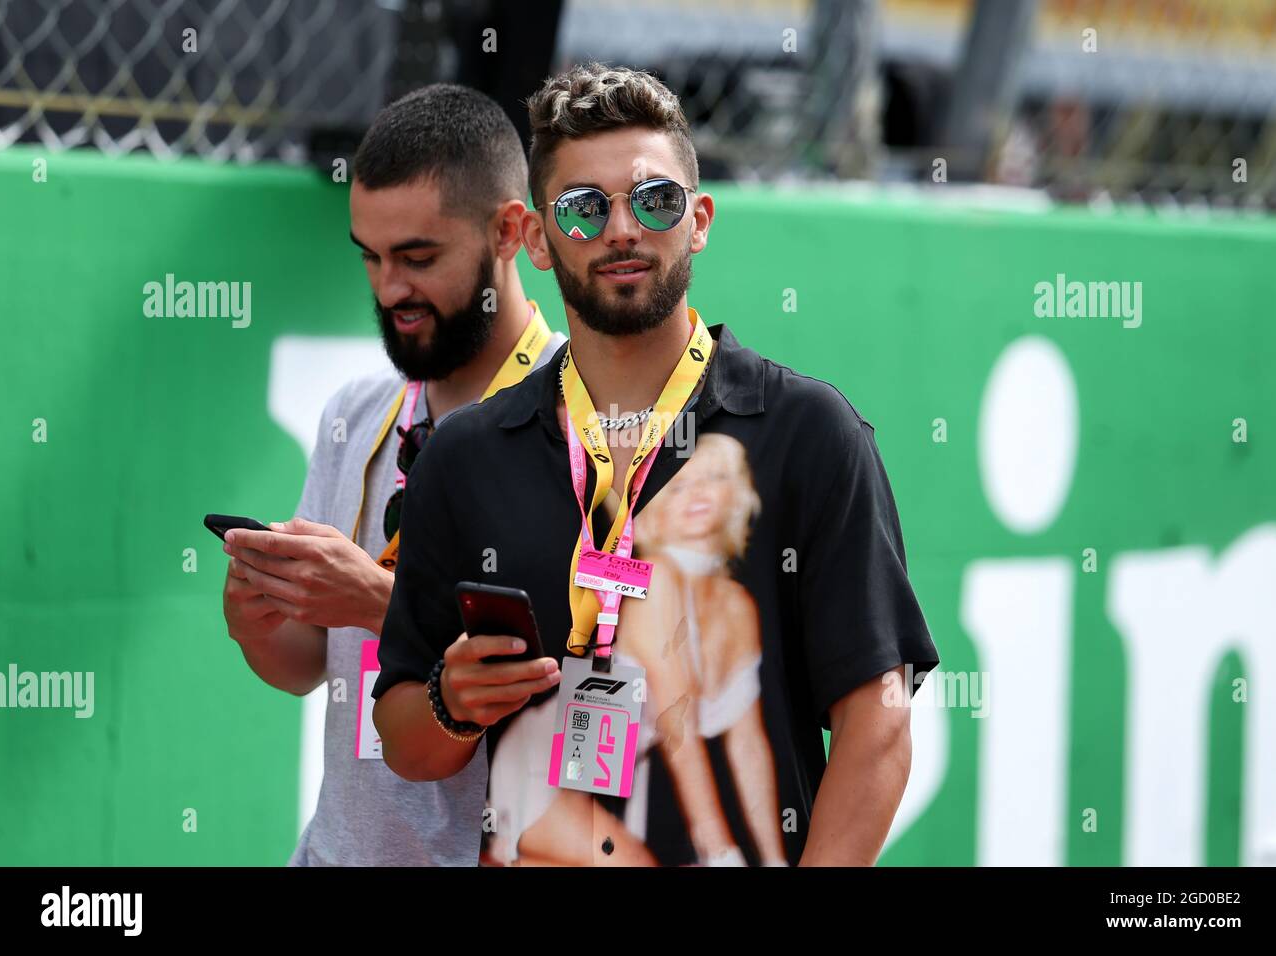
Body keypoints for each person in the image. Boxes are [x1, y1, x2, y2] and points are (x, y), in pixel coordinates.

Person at [373, 63, 939, 866]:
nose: (623, 230)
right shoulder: (466, 455)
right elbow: (403, 739)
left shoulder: (809, 434)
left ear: (699, 219)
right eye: (582, 209)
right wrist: (450, 702)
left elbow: (877, 724)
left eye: (655, 200)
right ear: (536, 238)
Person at [219, 84, 565, 866]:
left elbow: (572, 677)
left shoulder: (580, 423)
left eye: (418, 258)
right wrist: (259, 620)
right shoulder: (358, 412)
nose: (389, 291)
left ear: (510, 230)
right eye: (371, 257)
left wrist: (381, 603)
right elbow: (309, 663)